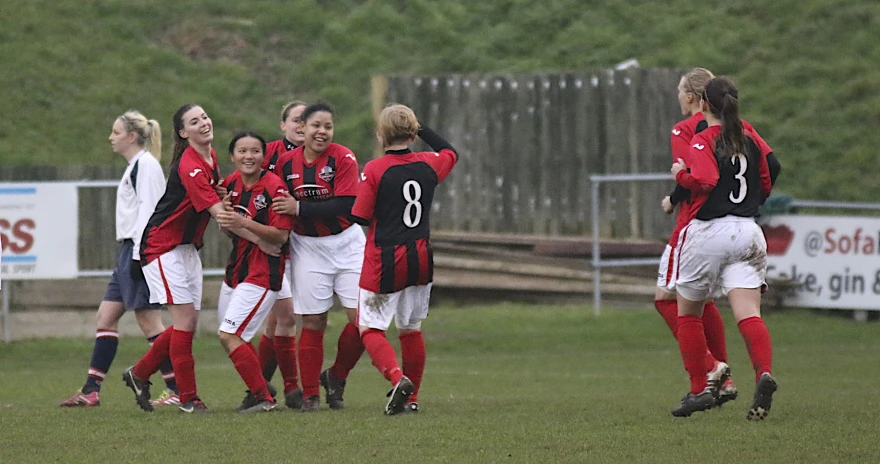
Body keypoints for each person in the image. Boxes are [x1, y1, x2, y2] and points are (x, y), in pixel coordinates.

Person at [121, 103, 274, 413]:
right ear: (183, 132)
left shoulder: (211, 156)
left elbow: (217, 199)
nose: (204, 123)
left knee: (185, 322)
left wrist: (222, 196)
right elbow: (220, 216)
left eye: (204, 117)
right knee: (186, 321)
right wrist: (262, 239)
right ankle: (189, 399)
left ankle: (139, 373)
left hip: (187, 247)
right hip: (161, 246)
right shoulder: (190, 164)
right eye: (194, 121)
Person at [669, 77, 778, 421]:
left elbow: (705, 181)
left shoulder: (703, 140)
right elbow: (766, 176)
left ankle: (700, 388)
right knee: (748, 313)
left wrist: (680, 175)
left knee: (688, 312)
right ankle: (763, 373)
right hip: (748, 231)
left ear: (703, 105)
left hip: (709, 231)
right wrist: (751, 204)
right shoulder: (748, 137)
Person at [59, 110, 179, 408]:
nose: (111, 137)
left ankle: (177, 389)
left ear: (131, 136)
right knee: (106, 317)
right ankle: (90, 391)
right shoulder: (135, 165)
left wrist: (142, 255)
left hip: (138, 251)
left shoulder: (146, 166)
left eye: (115, 132)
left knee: (150, 323)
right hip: (127, 251)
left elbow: (152, 211)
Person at [351, 104, 458, 415]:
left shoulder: (374, 169)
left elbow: (360, 215)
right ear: (413, 133)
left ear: (381, 134)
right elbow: (450, 151)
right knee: (410, 328)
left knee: (370, 328)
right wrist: (420, 127)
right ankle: (412, 400)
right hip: (421, 255)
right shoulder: (429, 163)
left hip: (385, 257)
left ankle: (398, 380)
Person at [272, 102, 366, 412]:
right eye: (315, 126)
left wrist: (298, 208)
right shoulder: (286, 164)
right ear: (303, 129)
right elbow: (273, 200)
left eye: (328, 126)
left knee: (364, 321)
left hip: (346, 243)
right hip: (308, 246)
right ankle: (310, 393)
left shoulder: (343, 157)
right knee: (313, 320)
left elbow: (346, 204)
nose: (322, 131)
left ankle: (336, 376)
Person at [215, 131, 295, 413]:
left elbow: (281, 236)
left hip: (264, 272)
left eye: (255, 151)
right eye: (242, 151)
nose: (248, 156)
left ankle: (264, 398)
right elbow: (226, 226)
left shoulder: (275, 187)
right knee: (230, 336)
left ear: (264, 155)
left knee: (229, 334)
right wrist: (232, 222)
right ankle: (262, 386)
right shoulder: (231, 183)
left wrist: (244, 223)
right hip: (236, 269)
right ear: (232, 156)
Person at [253, 101, 308, 404]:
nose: (303, 126)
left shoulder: (322, 155)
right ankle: (285, 387)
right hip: (272, 243)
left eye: (308, 121)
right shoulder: (268, 153)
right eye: (297, 120)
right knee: (283, 315)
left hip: (307, 243)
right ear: (283, 124)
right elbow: (245, 187)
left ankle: (260, 384)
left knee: (280, 319)